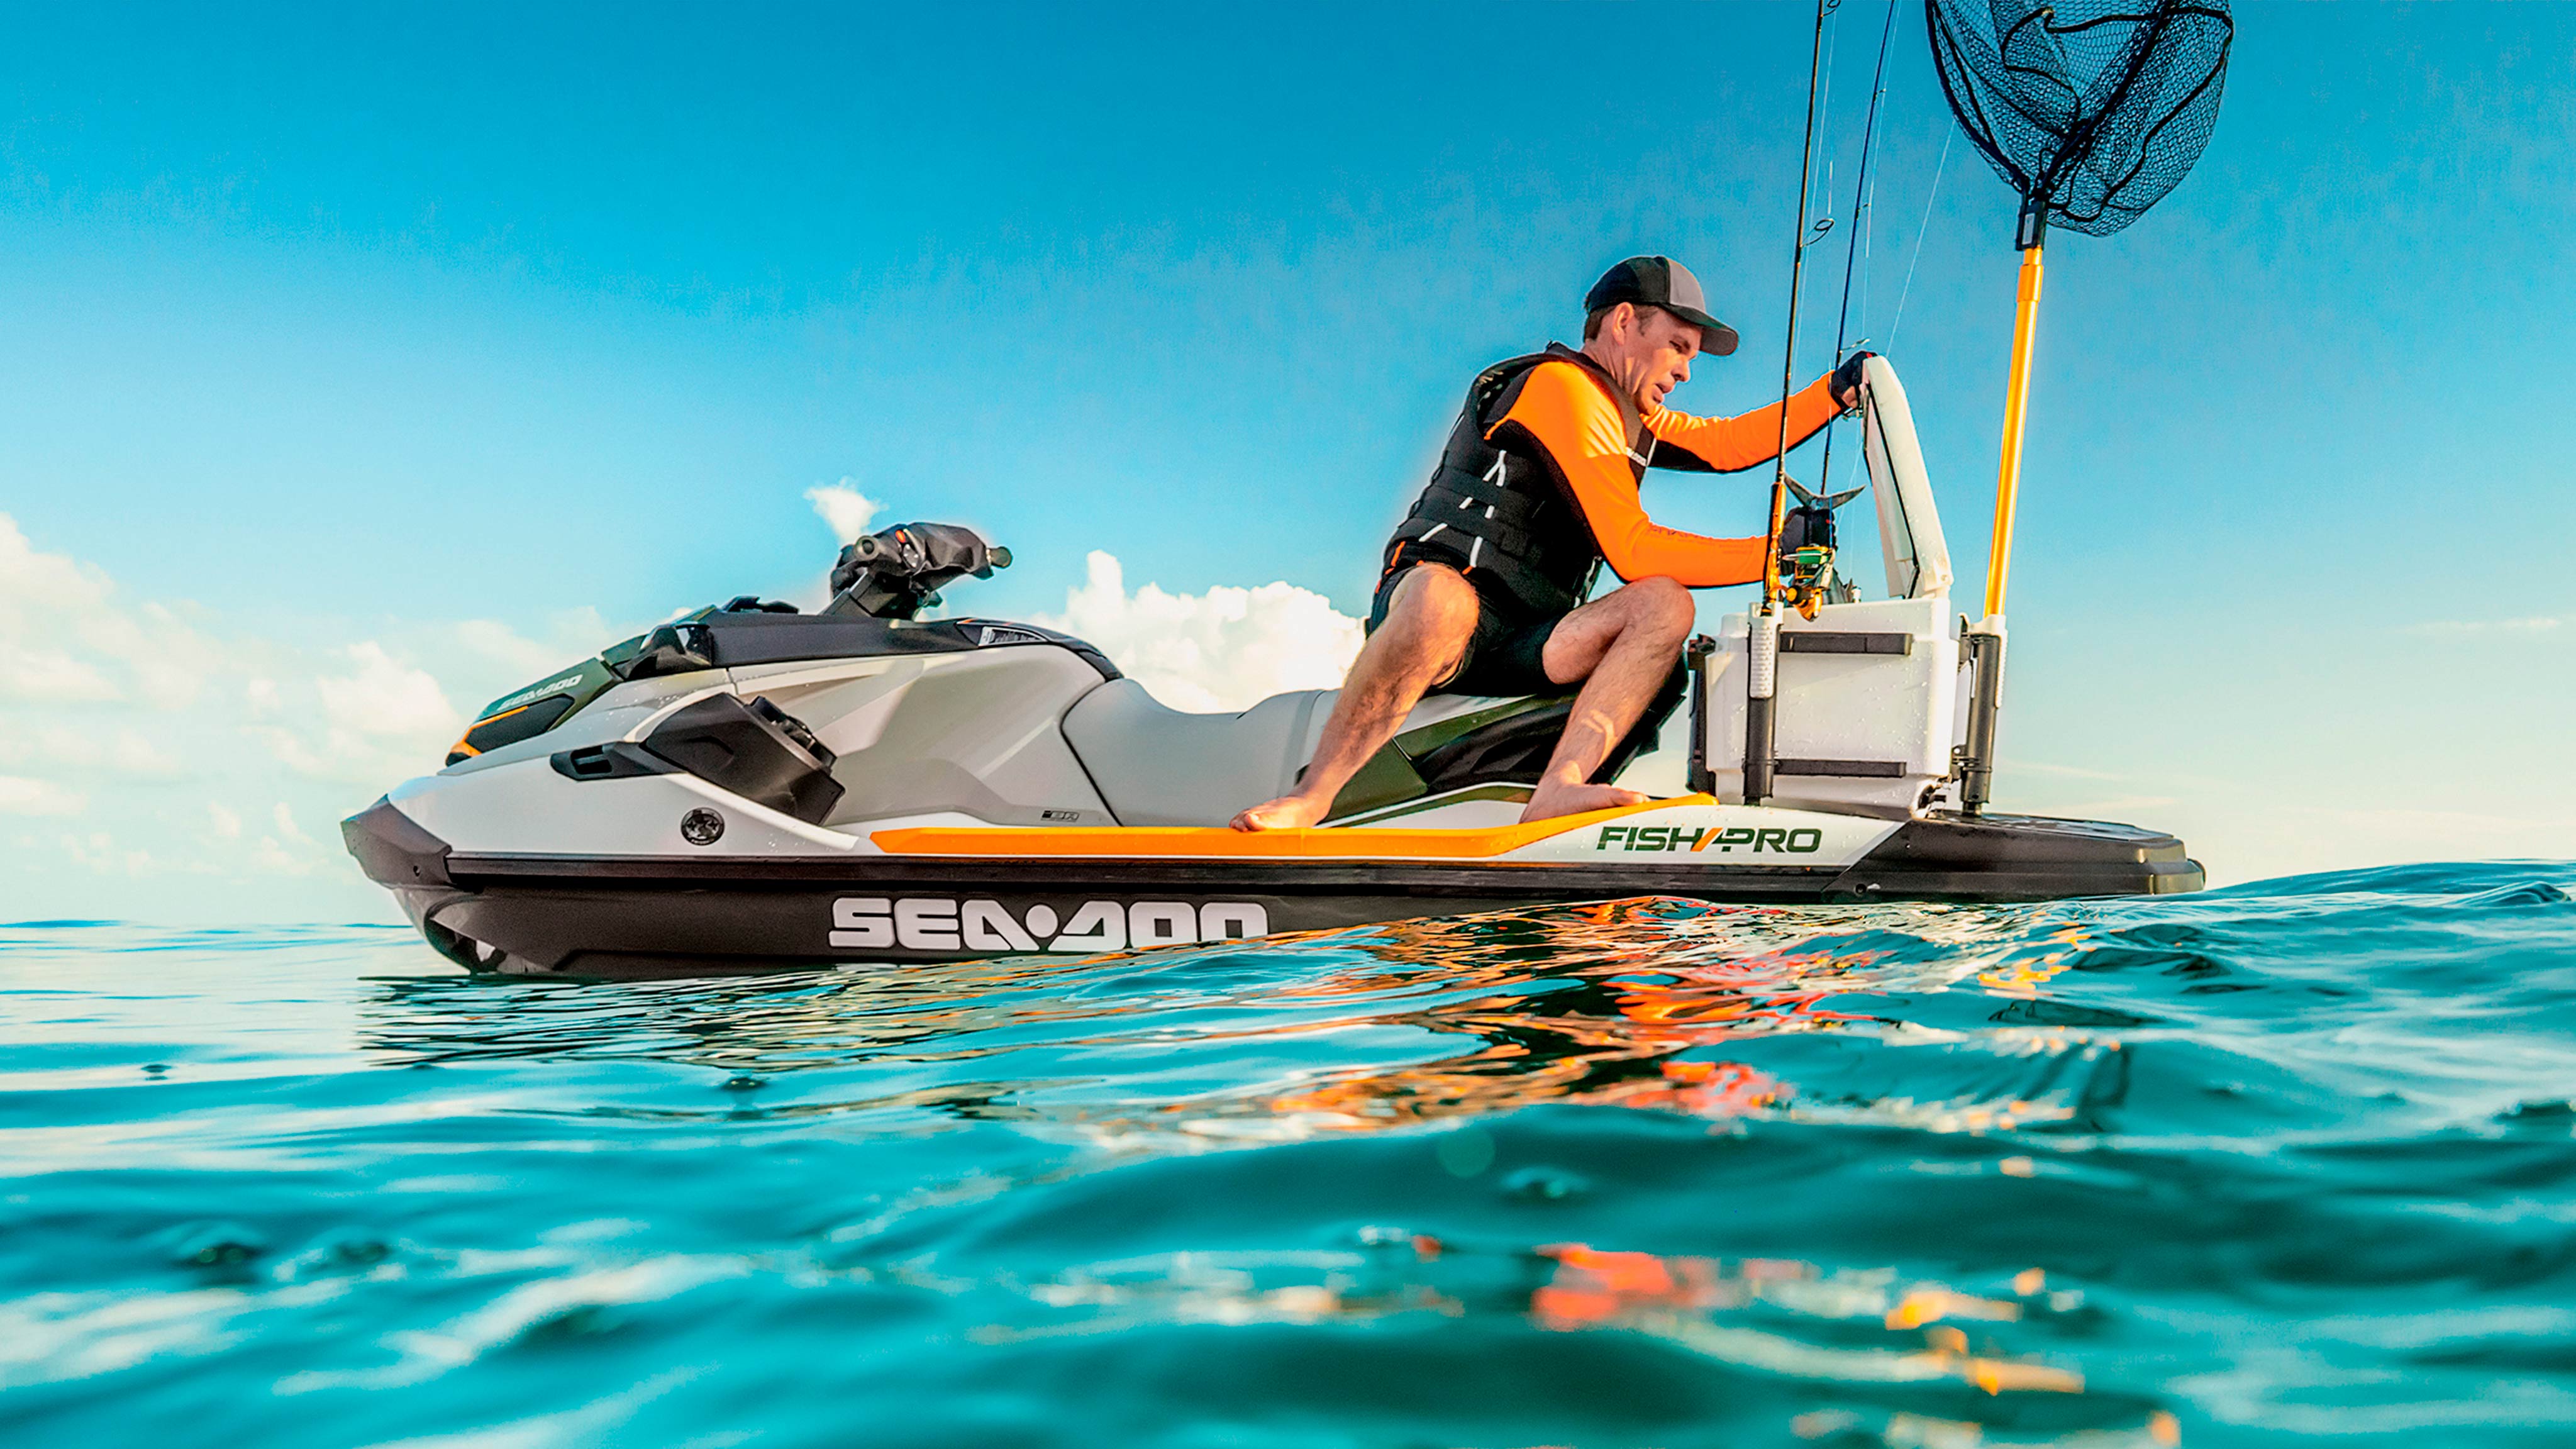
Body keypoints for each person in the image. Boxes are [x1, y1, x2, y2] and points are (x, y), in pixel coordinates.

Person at [1231, 255, 1871, 831]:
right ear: (1624, 322)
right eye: (1676, 346)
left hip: (1526, 642)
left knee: (1664, 607)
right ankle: (1313, 798)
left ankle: (1559, 789)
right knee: (1445, 604)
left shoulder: (1632, 415)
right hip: (1434, 615)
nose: (1684, 369)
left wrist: (1835, 392)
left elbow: (1729, 445)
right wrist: (1774, 556)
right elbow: (1633, 548)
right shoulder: (1559, 388)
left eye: (1692, 355)